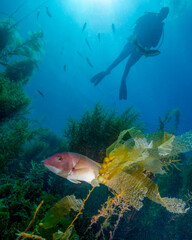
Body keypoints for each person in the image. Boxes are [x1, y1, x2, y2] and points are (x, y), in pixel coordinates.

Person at [90, 7, 169, 100]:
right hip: (137, 43)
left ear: (164, 16)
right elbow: (152, 41)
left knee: (125, 63)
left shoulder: (157, 25)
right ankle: (110, 73)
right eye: (163, 13)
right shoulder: (153, 20)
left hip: (138, 45)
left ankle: (118, 78)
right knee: (122, 60)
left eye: (164, 14)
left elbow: (154, 43)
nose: (162, 16)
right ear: (161, 12)